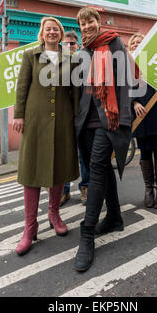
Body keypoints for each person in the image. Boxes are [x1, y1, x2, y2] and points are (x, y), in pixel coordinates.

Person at [13, 17, 79, 256]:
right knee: (31, 171)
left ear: (61, 34)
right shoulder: (30, 56)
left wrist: (76, 116)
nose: (52, 32)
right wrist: (19, 115)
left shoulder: (70, 60)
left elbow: (75, 91)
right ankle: (30, 228)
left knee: (58, 167)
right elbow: (22, 87)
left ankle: (54, 214)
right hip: (35, 119)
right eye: (48, 29)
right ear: (42, 33)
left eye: (56, 29)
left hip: (62, 119)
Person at [74, 7, 133, 272]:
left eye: (91, 21)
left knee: (97, 168)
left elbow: (128, 79)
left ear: (99, 22)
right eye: (83, 23)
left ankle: (87, 234)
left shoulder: (114, 42)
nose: (87, 26)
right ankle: (115, 217)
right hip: (85, 121)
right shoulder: (82, 51)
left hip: (108, 120)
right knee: (101, 169)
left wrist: (122, 116)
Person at [128, 33, 157, 209]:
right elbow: (122, 88)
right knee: (145, 151)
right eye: (133, 43)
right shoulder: (127, 65)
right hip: (140, 115)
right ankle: (148, 190)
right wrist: (133, 102)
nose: (136, 45)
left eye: (140, 42)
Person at [61, 30, 90, 207]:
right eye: (66, 43)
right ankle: (63, 190)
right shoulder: (56, 64)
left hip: (82, 117)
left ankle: (85, 187)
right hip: (63, 118)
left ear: (78, 45)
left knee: (83, 154)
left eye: (73, 43)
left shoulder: (83, 62)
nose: (70, 46)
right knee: (64, 155)